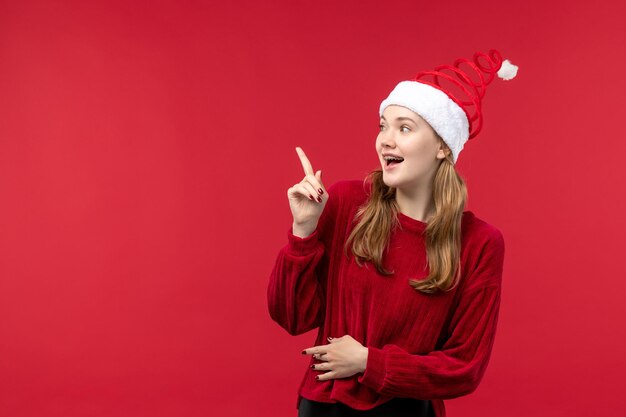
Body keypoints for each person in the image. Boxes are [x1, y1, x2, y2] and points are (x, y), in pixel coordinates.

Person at [267, 49, 518, 417]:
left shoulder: (479, 243)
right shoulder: (347, 202)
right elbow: (292, 318)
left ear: (443, 148)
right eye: (383, 125)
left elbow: (465, 367)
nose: (385, 139)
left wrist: (370, 362)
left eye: (404, 128)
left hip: (409, 411)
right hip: (325, 406)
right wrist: (302, 232)